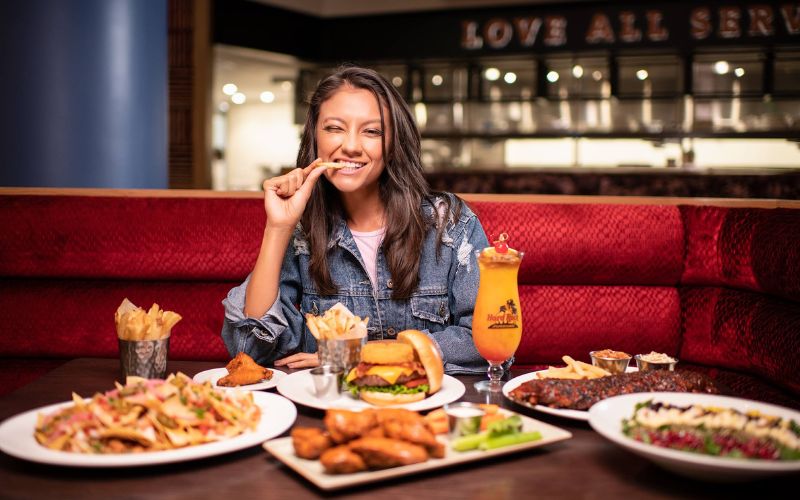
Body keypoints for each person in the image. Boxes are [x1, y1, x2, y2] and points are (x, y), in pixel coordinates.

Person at [221, 65, 489, 374]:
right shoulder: (302, 232)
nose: (350, 145)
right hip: (328, 410)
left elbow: (485, 341)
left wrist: (356, 355)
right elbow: (248, 349)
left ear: (392, 144)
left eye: (372, 131)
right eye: (334, 128)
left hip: (422, 407)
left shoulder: (450, 223)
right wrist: (278, 228)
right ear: (315, 137)